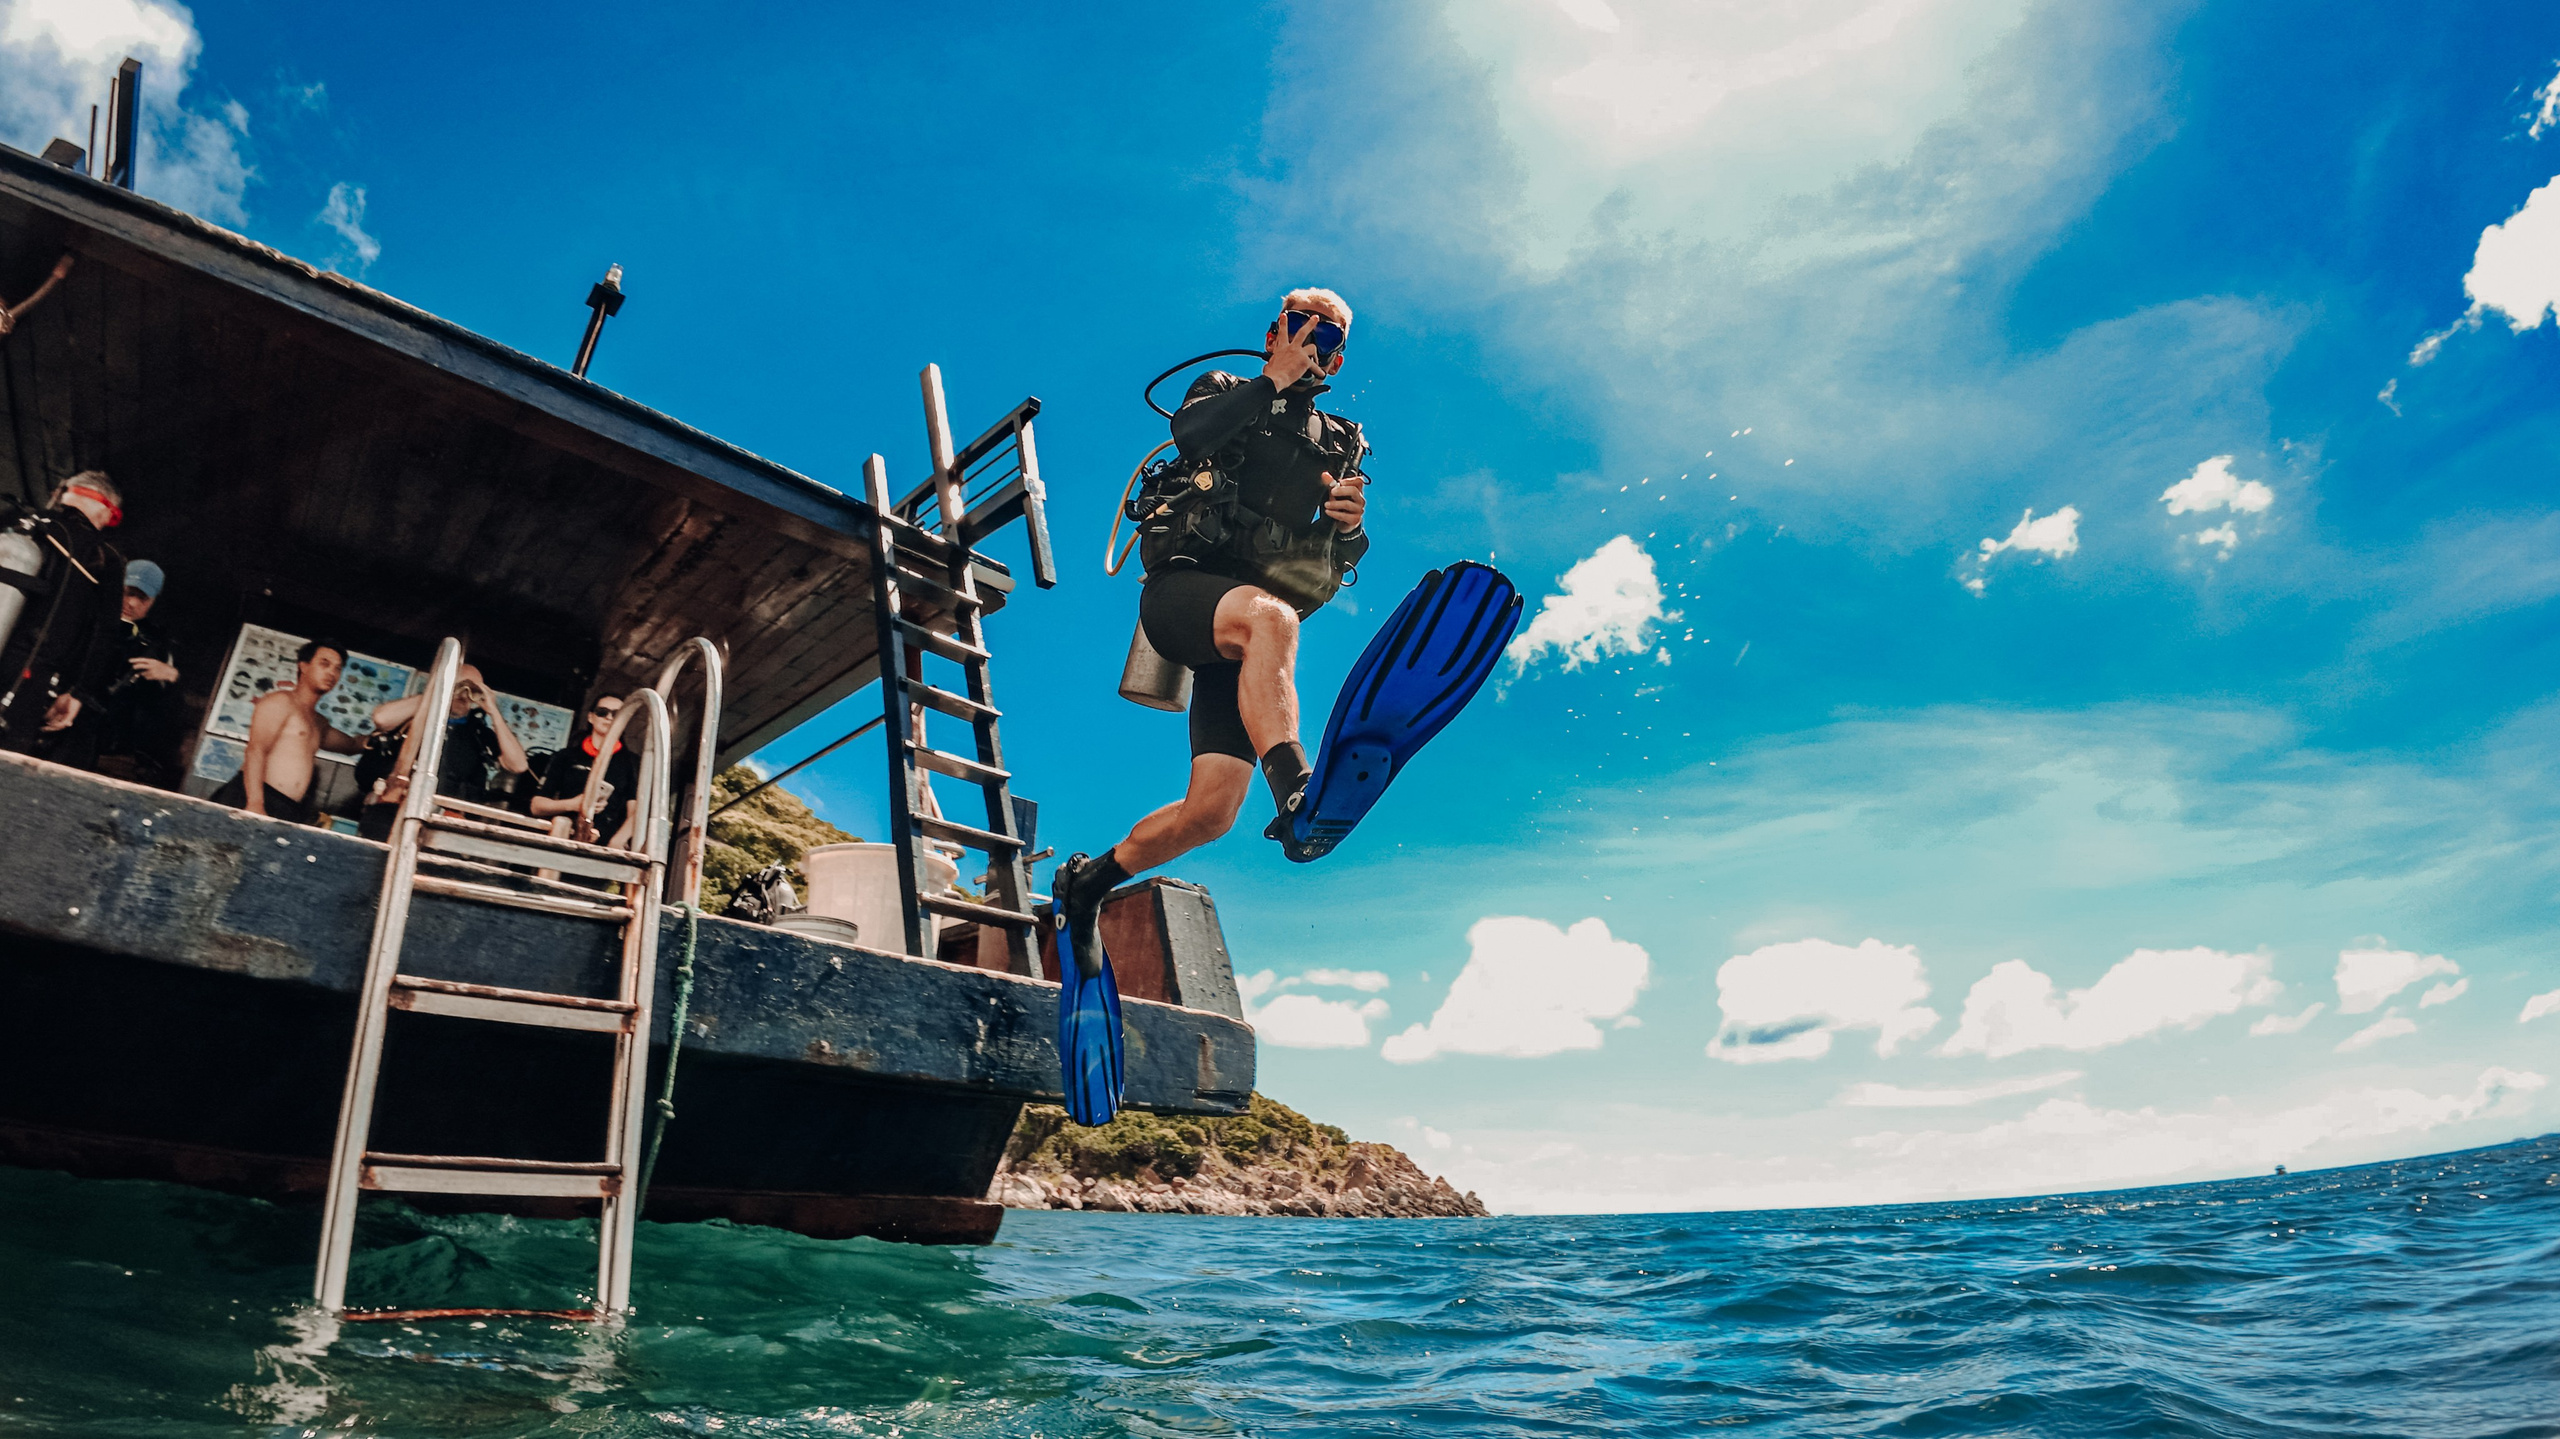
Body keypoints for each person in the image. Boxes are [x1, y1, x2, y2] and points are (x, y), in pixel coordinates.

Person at [1051, 287, 1370, 955]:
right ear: (1272, 332)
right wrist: (1270, 381)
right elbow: (1191, 434)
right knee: (1275, 619)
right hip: (1181, 595)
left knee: (1212, 812)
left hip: (1247, 632)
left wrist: (1349, 529)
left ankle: (1088, 883)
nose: (1311, 342)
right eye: (1298, 326)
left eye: (1328, 337)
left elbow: (1332, 569)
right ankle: (1299, 792)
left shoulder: (1340, 442)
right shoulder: (1225, 387)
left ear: (1337, 363)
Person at [1, 471, 129, 757]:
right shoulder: (104, 558)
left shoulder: (14, 520)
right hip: (26, 683)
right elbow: (103, 634)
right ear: (104, 507)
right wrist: (78, 693)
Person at [45, 558, 182, 784]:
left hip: (111, 751)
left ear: (154, 601)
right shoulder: (88, 617)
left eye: (142, 598)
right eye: (128, 593)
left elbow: (168, 714)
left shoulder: (158, 644)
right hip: (59, 722)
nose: (132, 603)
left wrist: (173, 677)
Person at [357, 661, 531, 839]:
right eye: (461, 687)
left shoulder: (478, 733)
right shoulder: (412, 717)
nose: (464, 695)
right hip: (388, 815)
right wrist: (440, 689)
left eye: (472, 690)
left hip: (445, 826)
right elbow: (382, 718)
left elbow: (518, 764)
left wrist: (494, 711)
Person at [212, 638, 363, 825]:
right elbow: (256, 750)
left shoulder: (319, 723)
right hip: (254, 798)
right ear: (304, 666)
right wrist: (255, 804)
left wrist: (389, 736)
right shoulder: (281, 701)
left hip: (288, 808)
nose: (331, 672)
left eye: (337, 668)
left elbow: (353, 745)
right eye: (324, 664)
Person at [530, 692, 640, 845]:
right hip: (562, 838)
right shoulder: (566, 756)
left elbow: (635, 813)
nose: (609, 717)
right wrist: (573, 804)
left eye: (617, 714)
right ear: (591, 717)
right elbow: (536, 806)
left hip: (605, 847)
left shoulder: (633, 763)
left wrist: (616, 842)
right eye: (602, 712)